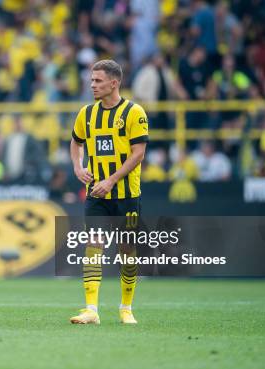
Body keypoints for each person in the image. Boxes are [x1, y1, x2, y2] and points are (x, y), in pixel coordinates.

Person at [69, 59, 148, 325]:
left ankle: (126, 307)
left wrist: (112, 180)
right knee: (94, 246)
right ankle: (91, 309)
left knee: (127, 250)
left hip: (126, 195)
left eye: (98, 81)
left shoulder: (134, 113)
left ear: (114, 83)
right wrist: (78, 167)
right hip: (96, 196)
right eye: (92, 80)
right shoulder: (86, 114)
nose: (92, 85)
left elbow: (138, 154)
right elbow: (75, 142)